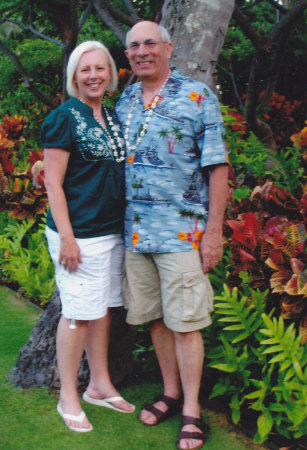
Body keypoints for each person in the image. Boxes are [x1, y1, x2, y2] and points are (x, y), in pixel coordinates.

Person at [116, 21, 228, 450]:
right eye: (134, 46)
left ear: (168, 47)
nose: (142, 51)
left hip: (182, 233)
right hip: (135, 234)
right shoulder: (124, 99)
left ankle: (193, 412)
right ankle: (170, 392)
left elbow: (218, 168)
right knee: (158, 321)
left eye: (150, 43)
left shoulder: (197, 97)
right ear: (127, 55)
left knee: (186, 324)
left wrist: (213, 233)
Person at [41, 40, 135, 433]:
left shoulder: (112, 117)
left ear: (110, 73)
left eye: (100, 68)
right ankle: (68, 395)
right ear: (74, 76)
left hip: (110, 231)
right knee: (79, 314)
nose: (93, 76)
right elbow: (54, 183)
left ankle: (99, 384)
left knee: (102, 312)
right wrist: (67, 237)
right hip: (77, 234)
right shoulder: (63, 118)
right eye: (85, 69)